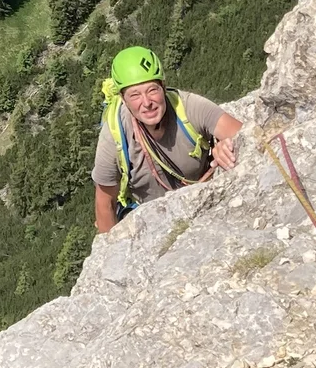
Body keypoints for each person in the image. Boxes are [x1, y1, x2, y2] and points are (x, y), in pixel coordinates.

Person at [92, 46, 242, 232]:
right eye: (135, 95)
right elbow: (105, 202)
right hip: (150, 222)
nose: (147, 103)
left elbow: (244, 134)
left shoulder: (188, 107)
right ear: (123, 99)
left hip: (204, 205)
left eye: (152, 90)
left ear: (163, 87)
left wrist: (223, 145)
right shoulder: (114, 136)